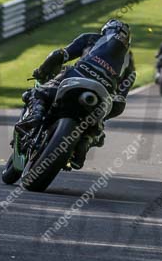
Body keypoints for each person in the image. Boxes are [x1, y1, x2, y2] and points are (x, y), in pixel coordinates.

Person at [17, 19, 136, 170]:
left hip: (75, 76)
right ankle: (85, 142)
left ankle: (36, 114)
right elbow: (119, 103)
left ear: (106, 30)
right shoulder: (129, 67)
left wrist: (41, 71)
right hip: (103, 94)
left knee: (39, 93)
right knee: (97, 129)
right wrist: (103, 117)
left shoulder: (92, 38)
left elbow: (59, 55)